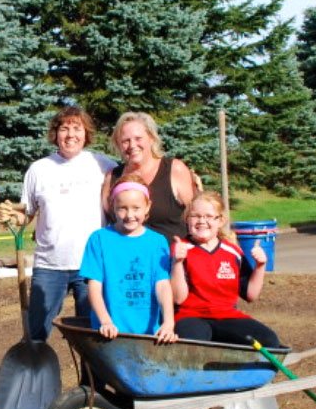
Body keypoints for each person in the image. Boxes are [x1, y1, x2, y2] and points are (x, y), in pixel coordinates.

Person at [0, 106, 116, 341]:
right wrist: (11, 216)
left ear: (86, 133)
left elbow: (129, 191)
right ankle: (36, 373)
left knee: (93, 334)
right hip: (50, 264)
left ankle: (90, 379)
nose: (70, 135)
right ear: (56, 133)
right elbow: (26, 214)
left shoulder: (104, 166)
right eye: (64, 128)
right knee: (37, 331)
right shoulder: (39, 169)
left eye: (77, 128)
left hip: (92, 265)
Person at [170, 191, 281, 347]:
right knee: (192, 345)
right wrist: (177, 262)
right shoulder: (180, 249)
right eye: (195, 216)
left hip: (227, 315)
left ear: (220, 220)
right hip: (190, 316)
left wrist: (260, 266)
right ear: (187, 219)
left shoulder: (232, 251)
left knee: (269, 341)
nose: (202, 221)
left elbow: (251, 294)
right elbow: (178, 299)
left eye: (209, 216)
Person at [78, 175, 177, 342]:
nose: (129, 215)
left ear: (147, 207)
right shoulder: (99, 239)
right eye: (122, 208)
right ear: (112, 207)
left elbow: (162, 285)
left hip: (148, 333)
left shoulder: (157, 242)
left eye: (136, 208)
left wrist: (168, 322)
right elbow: (94, 286)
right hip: (110, 332)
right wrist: (105, 321)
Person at [102, 111, 197, 243]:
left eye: (138, 138)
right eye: (125, 141)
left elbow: (197, 215)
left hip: (170, 259)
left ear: (151, 138)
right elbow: (107, 223)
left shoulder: (175, 169)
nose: (132, 145)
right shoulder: (112, 177)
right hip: (127, 260)